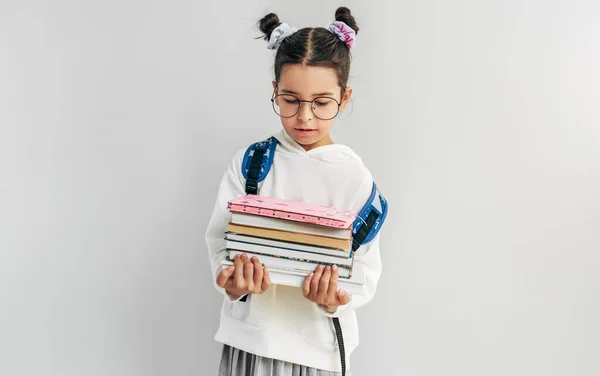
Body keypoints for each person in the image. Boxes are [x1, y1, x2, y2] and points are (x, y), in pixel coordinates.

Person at [205, 7, 384, 376]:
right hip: (248, 345)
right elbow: (219, 241)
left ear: (344, 97)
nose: (305, 117)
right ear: (275, 90)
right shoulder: (251, 162)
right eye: (291, 100)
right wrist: (232, 282)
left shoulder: (354, 177)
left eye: (321, 102)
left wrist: (335, 299)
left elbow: (365, 268)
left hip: (318, 352)